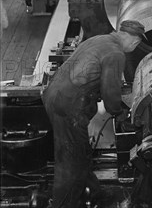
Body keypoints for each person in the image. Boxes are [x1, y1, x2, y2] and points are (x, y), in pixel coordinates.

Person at [42, 21, 146, 208]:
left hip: (54, 96)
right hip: (69, 108)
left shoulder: (99, 39)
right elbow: (110, 91)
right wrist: (120, 113)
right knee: (71, 162)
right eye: (136, 44)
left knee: (79, 153)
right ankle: (62, 204)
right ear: (133, 40)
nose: (134, 47)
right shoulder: (116, 53)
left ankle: (95, 193)